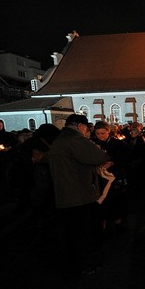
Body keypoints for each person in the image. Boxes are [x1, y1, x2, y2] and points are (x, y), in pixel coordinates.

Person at [49, 114, 108, 275]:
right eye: (87, 129)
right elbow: (99, 157)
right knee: (84, 234)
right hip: (79, 195)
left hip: (64, 195)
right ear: (81, 127)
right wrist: (97, 149)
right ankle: (86, 266)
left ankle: (74, 265)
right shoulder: (75, 141)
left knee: (72, 234)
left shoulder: (59, 140)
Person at [93, 121, 128, 236]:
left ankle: (118, 223)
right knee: (102, 203)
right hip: (101, 178)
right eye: (98, 133)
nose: (100, 136)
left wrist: (113, 162)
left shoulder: (118, 144)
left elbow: (125, 159)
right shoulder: (93, 144)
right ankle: (103, 226)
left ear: (108, 131)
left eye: (103, 133)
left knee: (116, 201)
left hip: (115, 178)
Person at [0, 119, 17, 206]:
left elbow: (14, 144)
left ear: (2, 126)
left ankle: (8, 195)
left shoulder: (9, 135)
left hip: (7, 160)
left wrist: (9, 148)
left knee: (7, 177)